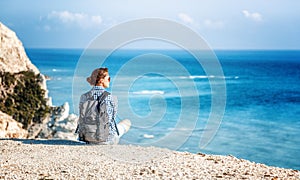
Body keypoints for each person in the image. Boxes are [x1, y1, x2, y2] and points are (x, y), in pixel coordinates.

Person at [77, 67, 131, 144]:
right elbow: (111, 119)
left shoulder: (84, 96)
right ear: (101, 80)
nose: (109, 81)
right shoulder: (111, 97)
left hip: (87, 138)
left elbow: (81, 117)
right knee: (127, 123)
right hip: (106, 139)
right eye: (108, 79)